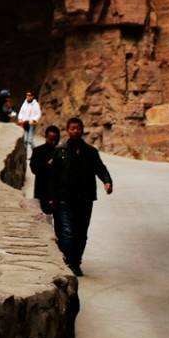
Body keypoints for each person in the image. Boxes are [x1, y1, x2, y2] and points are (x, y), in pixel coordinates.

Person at [53, 116, 113, 276]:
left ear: (82, 130)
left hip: (85, 198)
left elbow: (100, 168)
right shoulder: (60, 151)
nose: (75, 131)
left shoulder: (90, 152)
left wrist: (107, 181)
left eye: (78, 128)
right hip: (65, 197)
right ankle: (68, 260)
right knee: (67, 231)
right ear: (68, 130)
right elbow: (52, 175)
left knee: (81, 232)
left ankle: (76, 262)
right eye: (72, 128)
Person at [29, 124, 62, 215]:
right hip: (42, 192)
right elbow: (34, 169)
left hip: (59, 194)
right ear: (46, 137)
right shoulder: (38, 151)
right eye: (51, 139)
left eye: (55, 139)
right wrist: (46, 165)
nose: (53, 142)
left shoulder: (62, 152)